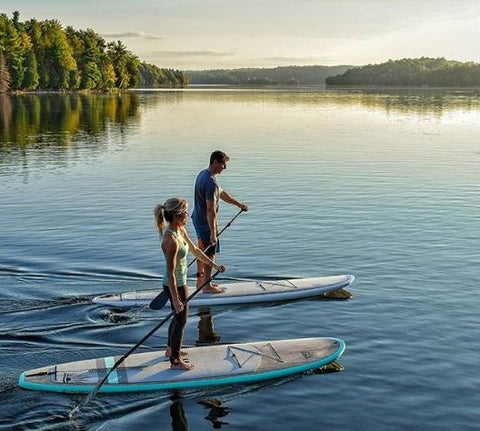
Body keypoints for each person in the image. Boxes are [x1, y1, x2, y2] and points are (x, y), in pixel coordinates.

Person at [154, 197, 226, 371]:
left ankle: (171, 349)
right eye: (185, 212)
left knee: (178, 318)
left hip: (180, 282)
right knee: (181, 319)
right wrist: (176, 298)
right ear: (178, 215)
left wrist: (213, 264)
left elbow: (195, 250)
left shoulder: (180, 230)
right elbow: (170, 273)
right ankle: (175, 361)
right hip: (174, 284)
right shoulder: (170, 240)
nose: (188, 215)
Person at [192, 150, 248, 293]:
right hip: (206, 223)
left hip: (197, 219)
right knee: (210, 252)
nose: (225, 168)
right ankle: (207, 287)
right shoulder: (210, 182)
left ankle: (201, 282)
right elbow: (210, 210)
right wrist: (212, 233)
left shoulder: (203, 174)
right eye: (223, 164)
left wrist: (238, 204)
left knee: (201, 251)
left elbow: (221, 193)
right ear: (215, 162)